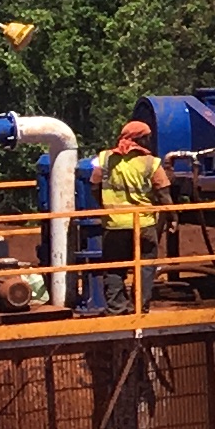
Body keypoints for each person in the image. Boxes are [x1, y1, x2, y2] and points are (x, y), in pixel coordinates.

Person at [82, 118, 171, 314]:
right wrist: (172, 217)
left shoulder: (104, 159)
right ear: (142, 139)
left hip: (114, 224)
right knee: (145, 267)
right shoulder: (152, 162)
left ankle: (116, 307)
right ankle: (139, 306)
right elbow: (164, 194)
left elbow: (93, 186)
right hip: (144, 224)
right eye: (147, 137)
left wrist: (105, 207)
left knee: (114, 267)